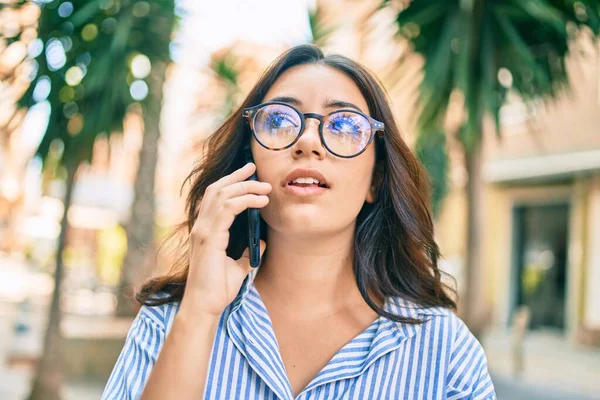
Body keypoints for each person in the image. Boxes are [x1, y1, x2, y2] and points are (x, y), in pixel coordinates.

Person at [102, 44, 497, 400]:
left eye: (343, 125)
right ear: (249, 164)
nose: (307, 141)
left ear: (375, 181)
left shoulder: (444, 353)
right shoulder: (171, 321)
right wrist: (200, 314)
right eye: (278, 122)